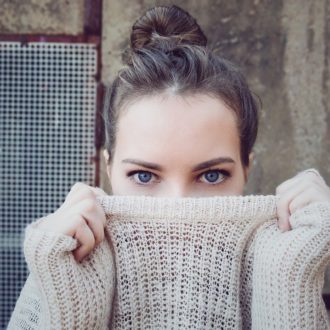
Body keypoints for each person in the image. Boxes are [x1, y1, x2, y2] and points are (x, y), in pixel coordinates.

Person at [37, 5, 330, 264]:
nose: (178, 212)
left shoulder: (284, 266)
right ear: (109, 168)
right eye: (144, 176)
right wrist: (52, 280)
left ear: (245, 170)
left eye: (212, 175)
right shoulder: (67, 265)